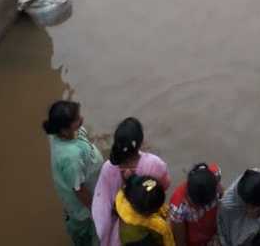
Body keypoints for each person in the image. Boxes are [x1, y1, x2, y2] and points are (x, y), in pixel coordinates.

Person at [92, 117, 171, 246]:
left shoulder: (108, 168)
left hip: (120, 230)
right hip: (150, 222)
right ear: (140, 142)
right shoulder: (154, 164)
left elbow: (102, 209)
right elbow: (165, 185)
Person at [43, 100, 104, 246]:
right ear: (64, 130)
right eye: (77, 119)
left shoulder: (60, 134)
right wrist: (95, 210)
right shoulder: (71, 158)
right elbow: (79, 190)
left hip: (84, 183)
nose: (81, 119)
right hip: (82, 208)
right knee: (83, 235)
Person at [217, 169, 260, 246]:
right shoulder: (227, 207)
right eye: (256, 209)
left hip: (258, 228)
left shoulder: (258, 176)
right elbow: (226, 236)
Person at [170, 162, 222, 246]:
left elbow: (222, 195)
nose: (201, 209)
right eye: (196, 206)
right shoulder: (178, 207)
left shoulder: (215, 175)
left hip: (212, 232)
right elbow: (180, 241)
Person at [115, 174, 174, 245]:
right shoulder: (136, 236)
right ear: (146, 212)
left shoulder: (125, 197)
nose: (159, 209)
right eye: (156, 209)